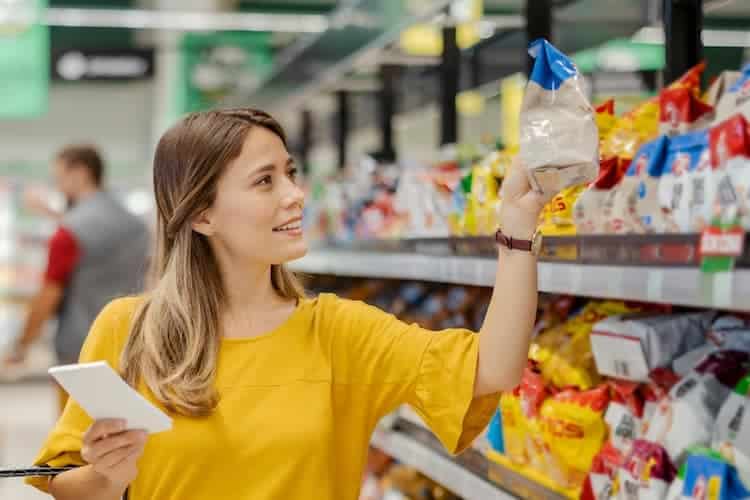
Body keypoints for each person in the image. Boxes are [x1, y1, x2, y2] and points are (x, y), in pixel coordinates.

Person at [27, 109, 550, 500]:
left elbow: (494, 368)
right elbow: (61, 480)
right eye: (264, 181)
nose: (295, 194)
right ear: (202, 215)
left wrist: (518, 232)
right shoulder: (130, 329)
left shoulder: (340, 333)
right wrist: (103, 476)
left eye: (290, 173)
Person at [4, 145, 150, 413]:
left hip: (80, 351)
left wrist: (21, 345)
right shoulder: (137, 226)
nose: (57, 187)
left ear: (80, 173)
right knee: (127, 431)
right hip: (134, 344)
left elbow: (49, 294)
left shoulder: (68, 233)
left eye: (59, 178)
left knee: (77, 439)